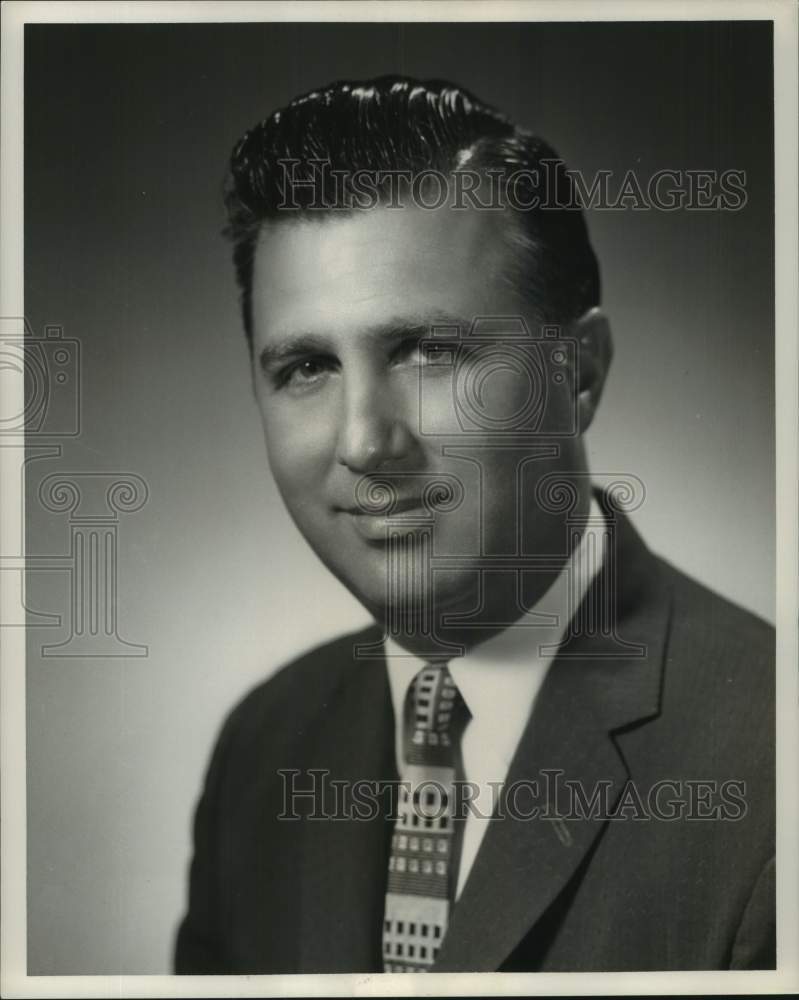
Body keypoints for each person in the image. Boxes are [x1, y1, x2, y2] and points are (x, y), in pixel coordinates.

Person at [174, 76, 774, 974]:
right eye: (307, 366)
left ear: (578, 375)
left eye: (430, 351)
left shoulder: (773, 765)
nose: (365, 441)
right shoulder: (263, 749)